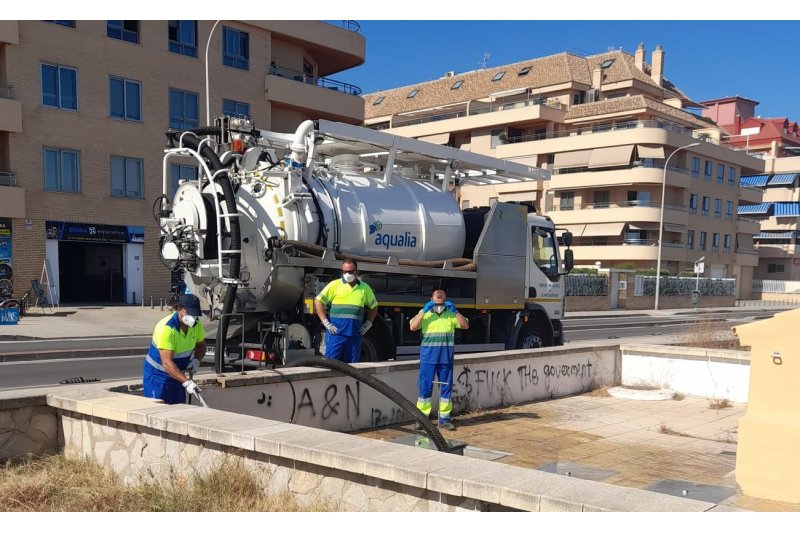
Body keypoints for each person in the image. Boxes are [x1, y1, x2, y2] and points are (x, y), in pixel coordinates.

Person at [409, 289, 469, 430]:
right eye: (436, 302)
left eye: (442, 302)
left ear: (446, 301)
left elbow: (465, 325)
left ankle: (444, 419)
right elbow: (413, 327)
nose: (439, 305)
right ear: (431, 300)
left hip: (445, 359)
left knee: (446, 390)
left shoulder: (450, 314)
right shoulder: (425, 313)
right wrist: (424, 311)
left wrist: (455, 311)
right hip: (428, 359)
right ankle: (422, 420)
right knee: (425, 389)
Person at [143, 293, 206, 404]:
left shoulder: (196, 325)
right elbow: (167, 362)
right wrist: (187, 383)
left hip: (177, 376)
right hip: (158, 378)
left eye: (195, 314)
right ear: (179, 309)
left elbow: (201, 346)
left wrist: (196, 360)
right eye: (190, 313)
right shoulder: (167, 328)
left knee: (178, 409)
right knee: (157, 411)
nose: (193, 318)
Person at [314, 259, 378, 363]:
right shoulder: (334, 285)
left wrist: (368, 323)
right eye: (344, 272)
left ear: (356, 271)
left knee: (353, 369)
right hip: (336, 334)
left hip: (354, 335)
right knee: (331, 365)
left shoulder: (364, 288)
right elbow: (318, 301)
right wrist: (326, 322)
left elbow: (374, 306)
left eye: (350, 271)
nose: (347, 274)